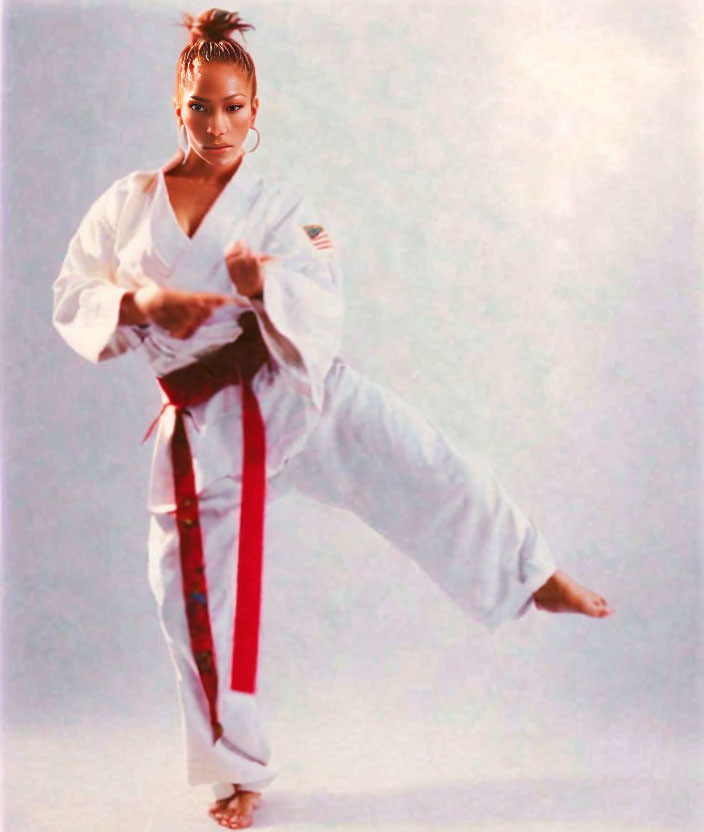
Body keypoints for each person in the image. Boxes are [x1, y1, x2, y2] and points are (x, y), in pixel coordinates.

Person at [51, 8, 614, 830]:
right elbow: (74, 294)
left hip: (297, 395)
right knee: (187, 600)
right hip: (203, 432)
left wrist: (263, 279)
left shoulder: (283, 202)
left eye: (235, 105)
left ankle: (529, 574)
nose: (218, 123)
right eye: (202, 104)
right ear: (178, 104)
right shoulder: (125, 206)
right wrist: (141, 301)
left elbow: (321, 266)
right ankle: (234, 776)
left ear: (257, 111)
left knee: (426, 464)